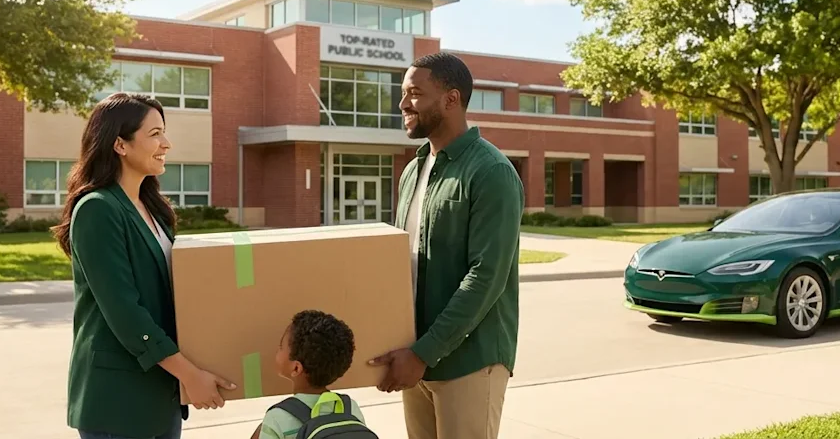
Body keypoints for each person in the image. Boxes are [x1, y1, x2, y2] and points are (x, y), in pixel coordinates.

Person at [52, 92, 236, 439]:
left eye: (163, 132)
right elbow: (125, 312)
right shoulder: (98, 208)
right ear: (120, 144)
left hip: (159, 395)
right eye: (154, 134)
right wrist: (190, 374)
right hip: (119, 402)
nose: (166, 143)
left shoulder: (152, 209)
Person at [368, 52, 525, 439]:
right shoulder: (414, 169)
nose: (402, 104)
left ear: (451, 99)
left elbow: (486, 276)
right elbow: (401, 264)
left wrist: (424, 352)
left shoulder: (491, 172)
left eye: (414, 93)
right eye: (403, 94)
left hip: (469, 361)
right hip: (416, 359)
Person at [250, 310, 372, 439]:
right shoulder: (351, 408)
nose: (277, 350)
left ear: (296, 368)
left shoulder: (277, 418)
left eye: (281, 346)